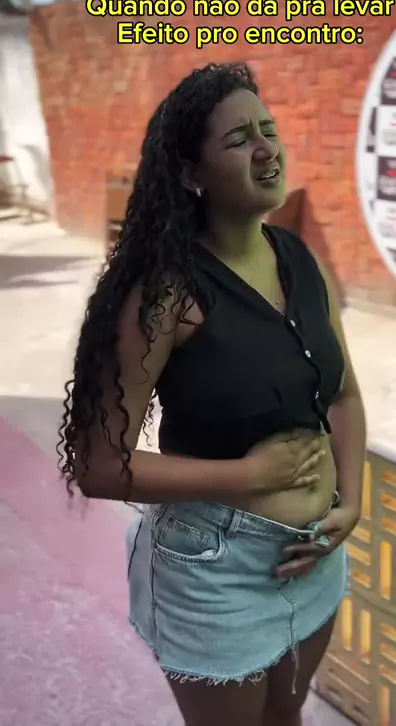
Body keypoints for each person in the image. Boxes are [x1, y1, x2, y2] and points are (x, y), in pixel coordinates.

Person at [58, 62, 366, 726]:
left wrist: (351, 501)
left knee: (287, 716)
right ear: (192, 173)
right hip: (216, 571)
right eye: (238, 139)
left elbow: (343, 394)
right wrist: (250, 476)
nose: (266, 149)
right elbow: (99, 465)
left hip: (313, 555)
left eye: (268, 130)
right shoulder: (165, 292)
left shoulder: (299, 259)